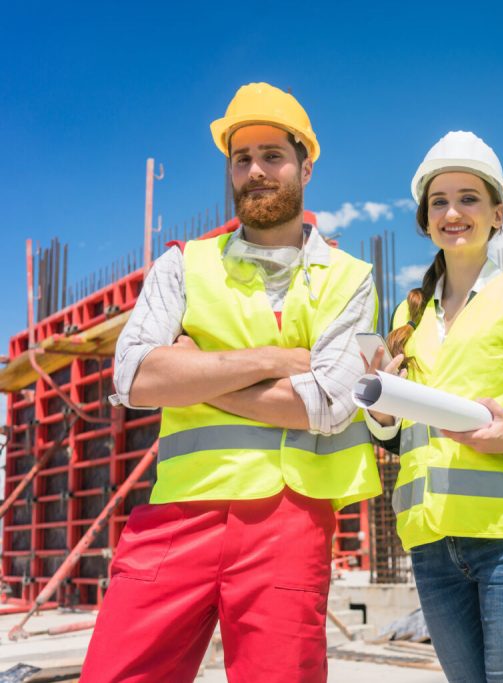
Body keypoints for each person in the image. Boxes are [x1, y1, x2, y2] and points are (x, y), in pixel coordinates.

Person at [80, 82, 381, 683]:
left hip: (288, 521)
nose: (255, 171)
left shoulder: (349, 279)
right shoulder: (183, 264)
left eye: (272, 155)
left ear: (305, 165)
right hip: (176, 516)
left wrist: (191, 372)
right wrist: (270, 358)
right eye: (241, 159)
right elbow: (134, 376)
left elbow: (323, 406)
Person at [364, 131, 503, 683]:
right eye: (439, 201)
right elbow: (397, 438)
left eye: (468, 199)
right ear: (424, 217)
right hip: (432, 544)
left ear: (497, 214)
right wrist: (382, 413)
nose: (452, 212)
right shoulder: (405, 319)